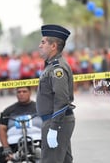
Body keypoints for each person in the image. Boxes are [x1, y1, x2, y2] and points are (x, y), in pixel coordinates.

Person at [36, 24, 75, 163]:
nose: (40, 45)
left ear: (53, 46)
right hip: (57, 121)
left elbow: (62, 100)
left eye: (43, 42)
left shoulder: (57, 68)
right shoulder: (51, 65)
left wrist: (54, 128)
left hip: (57, 121)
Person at [0, 86, 41, 163]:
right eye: (19, 92)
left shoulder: (40, 108)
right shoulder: (7, 111)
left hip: (37, 141)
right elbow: (2, 129)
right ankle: (16, 155)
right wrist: (6, 147)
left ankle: (32, 153)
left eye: (24, 91)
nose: (21, 94)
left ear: (30, 93)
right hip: (14, 144)